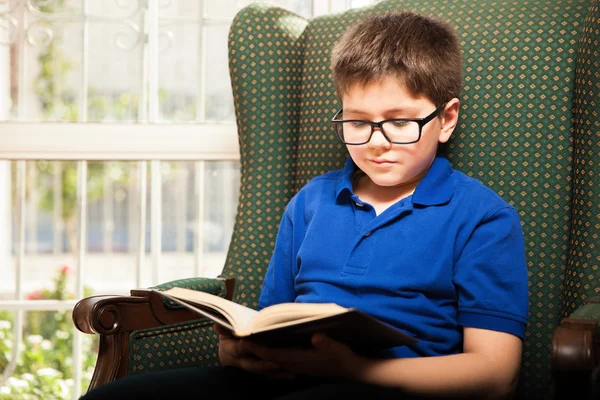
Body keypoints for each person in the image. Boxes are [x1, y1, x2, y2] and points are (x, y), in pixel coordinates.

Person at [80, 10, 528, 400]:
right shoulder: (311, 202)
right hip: (289, 381)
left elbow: (494, 375)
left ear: (445, 120)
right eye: (358, 122)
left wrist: (353, 370)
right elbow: (271, 321)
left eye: (399, 122)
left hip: (390, 388)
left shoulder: (484, 218)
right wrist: (238, 350)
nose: (377, 143)